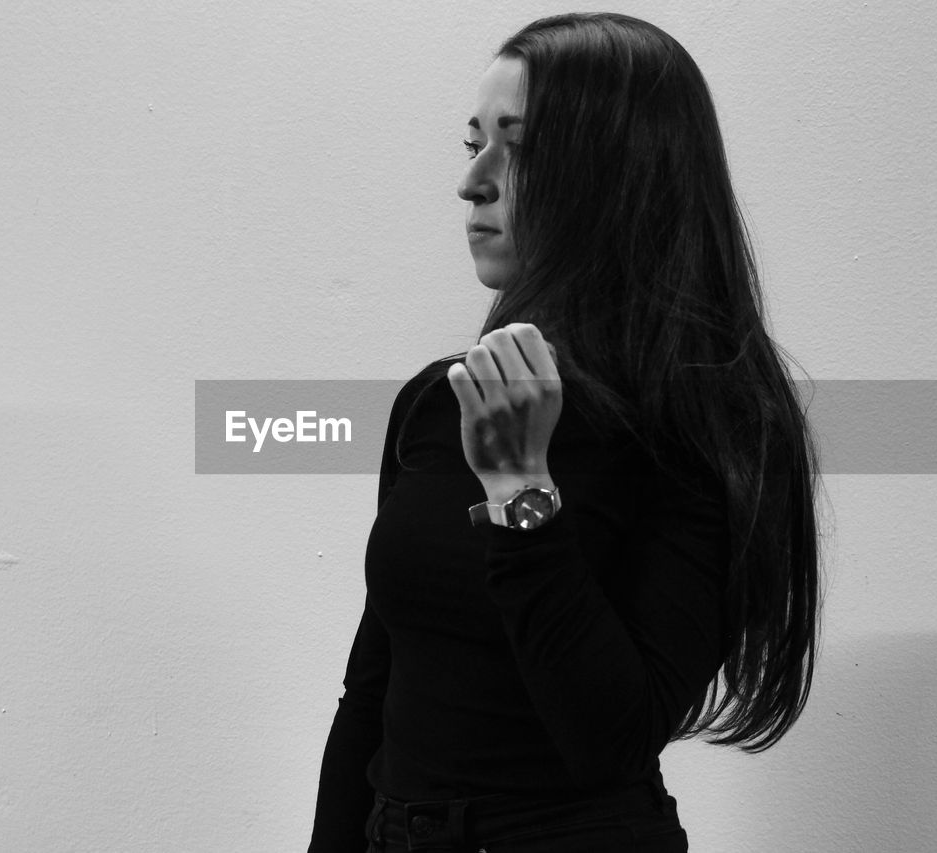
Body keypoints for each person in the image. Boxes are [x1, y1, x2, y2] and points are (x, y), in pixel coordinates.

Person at [307, 12, 821, 852]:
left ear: (618, 172)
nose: (473, 181)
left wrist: (520, 489)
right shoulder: (441, 398)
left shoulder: (710, 416)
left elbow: (610, 731)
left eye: (518, 147)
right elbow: (374, 689)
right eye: (472, 143)